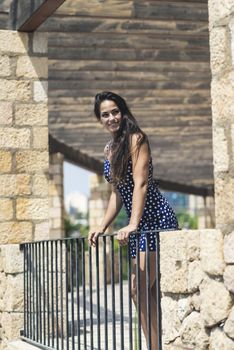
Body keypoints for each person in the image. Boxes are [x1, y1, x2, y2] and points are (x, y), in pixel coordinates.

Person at [88, 91, 179, 348]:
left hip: (154, 220)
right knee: (145, 292)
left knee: (138, 290)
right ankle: (157, 344)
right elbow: (118, 192)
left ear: (123, 111)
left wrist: (133, 224)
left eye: (115, 111)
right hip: (137, 223)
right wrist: (102, 225)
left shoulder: (137, 139)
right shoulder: (110, 148)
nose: (111, 118)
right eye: (105, 114)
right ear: (100, 119)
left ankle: (155, 346)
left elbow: (139, 184)